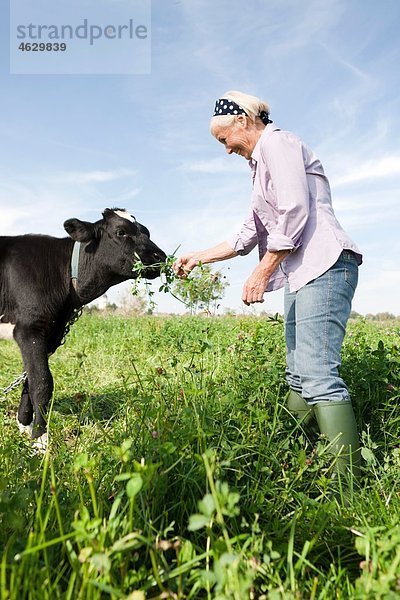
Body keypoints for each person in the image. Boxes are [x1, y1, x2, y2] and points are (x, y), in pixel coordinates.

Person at [173, 90, 362, 479]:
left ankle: (350, 484)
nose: (225, 150)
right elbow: (247, 234)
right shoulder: (260, 168)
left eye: (224, 140)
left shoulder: (278, 144)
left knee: (318, 373)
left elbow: (296, 208)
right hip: (303, 271)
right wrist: (198, 256)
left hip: (325, 264)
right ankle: (289, 458)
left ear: (242, 121)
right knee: (298, 373)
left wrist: (263, 270)